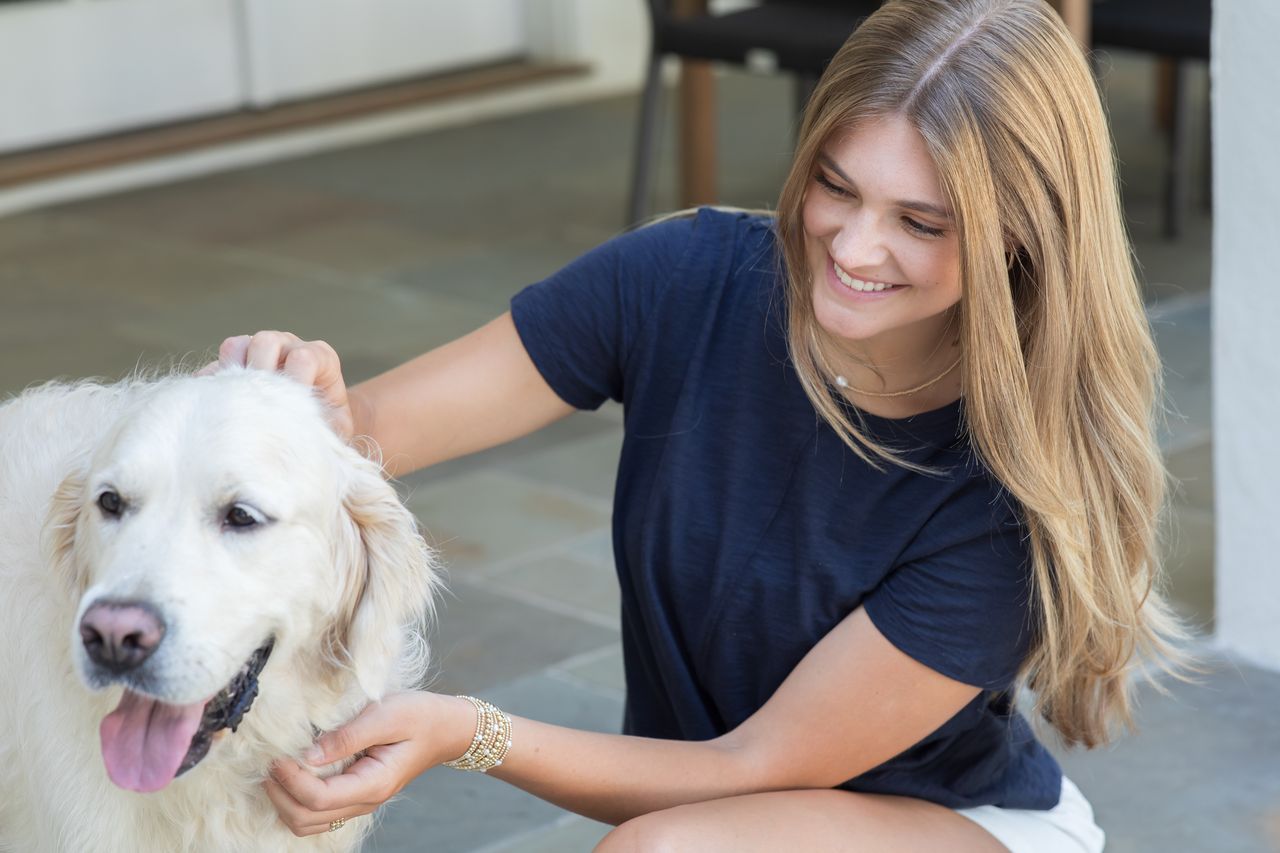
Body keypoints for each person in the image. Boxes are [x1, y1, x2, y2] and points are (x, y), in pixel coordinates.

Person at [212, 0, 1186, 849]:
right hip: (730, 812)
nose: (853, 246)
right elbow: (367, 433)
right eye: (835, 187)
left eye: (920, 223)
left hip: (935, 823)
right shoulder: (688, 280)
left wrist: (467, 732)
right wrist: (303, 402)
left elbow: (753, 765)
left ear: (1022, 234)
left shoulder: (1005, 495)